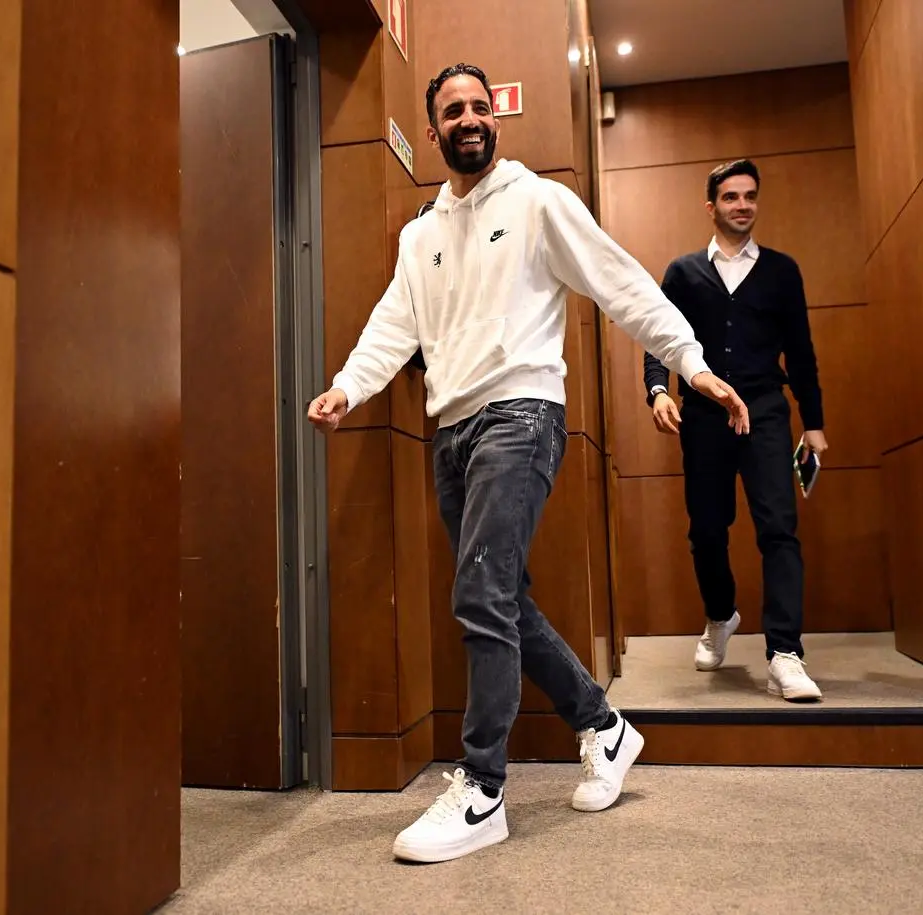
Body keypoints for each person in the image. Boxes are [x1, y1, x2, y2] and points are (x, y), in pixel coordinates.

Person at [307, 63, 750, 864]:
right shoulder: (420, 235)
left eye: (480, 105)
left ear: (494, 120)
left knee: (480, 589)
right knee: (500, 593)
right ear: (433, 128)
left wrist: (689, 361)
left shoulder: (539, 201)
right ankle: (605, 727)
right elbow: (392, 324)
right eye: (453, 109)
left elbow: (621, 283)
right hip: (452, 431)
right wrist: (348, 387)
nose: (469, 118)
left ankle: (482, 788)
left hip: (523, 414)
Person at [642, 159, 828, 702]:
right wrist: (658, 390)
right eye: (730, 197)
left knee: (778, 529)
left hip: (767, 410)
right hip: (703, 417)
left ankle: (785, 654)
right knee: (706, 530)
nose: (741, 205)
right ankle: (721, 615)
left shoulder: (781, 271)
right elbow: (658, 336)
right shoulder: (682, 272)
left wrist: (812, 423)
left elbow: (802, 351)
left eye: (749, 196)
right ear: (711, 206)